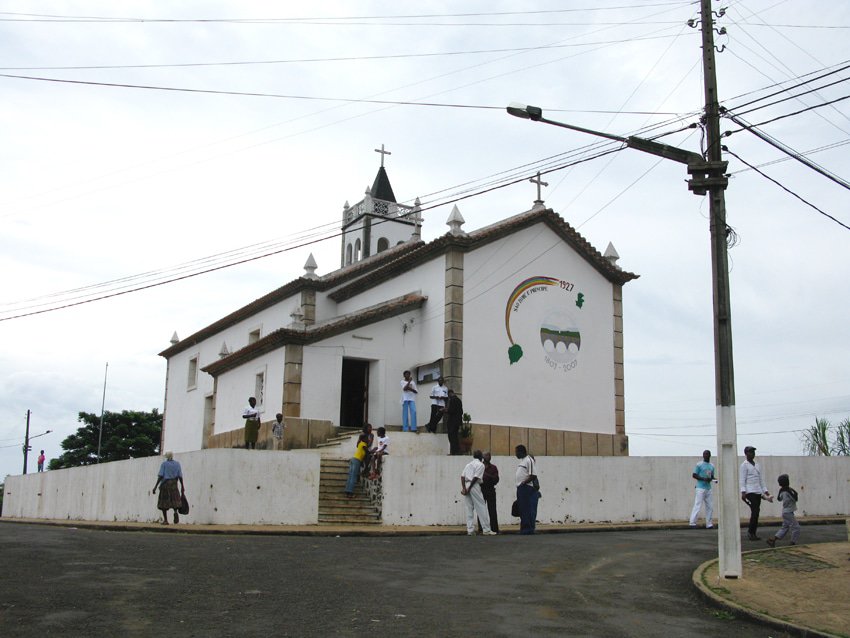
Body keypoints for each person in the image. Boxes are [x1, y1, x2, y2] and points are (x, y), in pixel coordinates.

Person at [739, 445, 772, 540]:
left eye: (753, 452)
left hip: (758, 491)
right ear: (746, 454)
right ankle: (750, 532)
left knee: (756, 512)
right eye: (750, 452)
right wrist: (743, 492)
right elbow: (742, 479)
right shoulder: (744, 465)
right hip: (750, 492)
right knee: (755, 511)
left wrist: (766, 491)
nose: (752, 453)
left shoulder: (757, 465)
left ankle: (753, 533)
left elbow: (761, 479)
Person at [460, 450, 496, 536]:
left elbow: (462, 476)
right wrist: (470, 488)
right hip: (474, 485)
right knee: (481, 506)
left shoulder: (468, 465)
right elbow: (476, 477)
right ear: (481, 457)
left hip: (467, 483)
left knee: (469, 508)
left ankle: (470, 530)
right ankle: (486, 529)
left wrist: (464, 488)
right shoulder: (480, 465)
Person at [767, 474, 800, 547]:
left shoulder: (782, 491)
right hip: (788, 512)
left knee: (785, 527)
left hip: (785, 511)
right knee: (796, 527)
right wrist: (793, 490)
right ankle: (792, 542)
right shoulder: (788, 491)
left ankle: (772, 540)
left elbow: (779, 499)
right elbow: (795, 498)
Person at [152, 451, 185, 525]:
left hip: (165, 484)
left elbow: (160, 476)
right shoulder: (177, 464)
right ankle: (175, 512)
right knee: (174, 500)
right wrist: (182, 486)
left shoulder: (164, 464)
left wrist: (155, 486)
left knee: (163, 503)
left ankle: (166, 520)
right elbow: (180, 476)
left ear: (166, 456)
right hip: (174, 484)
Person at [515, 444, 540, 535]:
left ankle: (528, 529)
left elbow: (533, 475)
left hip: (526, 488)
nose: (516, 454)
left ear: (521, 452)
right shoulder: (523, 461)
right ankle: (524, 528)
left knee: (527, 509)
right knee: (522, 509)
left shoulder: (529, 460)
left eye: (516, 452)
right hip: (521, 488)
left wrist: (524, 482)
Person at [689, 450, 716, 529]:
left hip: (708, 488)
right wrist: (703, 479)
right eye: (704, 454)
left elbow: (711, 476)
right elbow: (694, 475)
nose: (706, 455)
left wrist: (714, 479)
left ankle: (709, 524)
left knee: (710, 506)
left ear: (710, 455)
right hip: (700, 488)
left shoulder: (712, 466)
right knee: (698, 504)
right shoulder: (699, 464)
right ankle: (692, 522)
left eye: (707, 454)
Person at [478, 452, 500, 533]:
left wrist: (486, 475)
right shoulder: (480, 466)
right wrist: (490, 477)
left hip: (491, 490)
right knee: (481, 510)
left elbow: (496, 479)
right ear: (483, 456)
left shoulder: (494, 467)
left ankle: (494, 529)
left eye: (489, 455)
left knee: (492, 510)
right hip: (481, 490)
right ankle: (481, 528)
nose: (489, 457)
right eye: (487, 455)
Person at [445, 389, 463, 455]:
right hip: (458, 422)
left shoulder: (452, 400)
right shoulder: (459, 400)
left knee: (451, 437)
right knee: (456, 436)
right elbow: (461, 411)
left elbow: (451, 411)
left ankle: (453, 451)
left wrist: (446, 410)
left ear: (450, 393)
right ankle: (457, 451)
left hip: (452, 422)